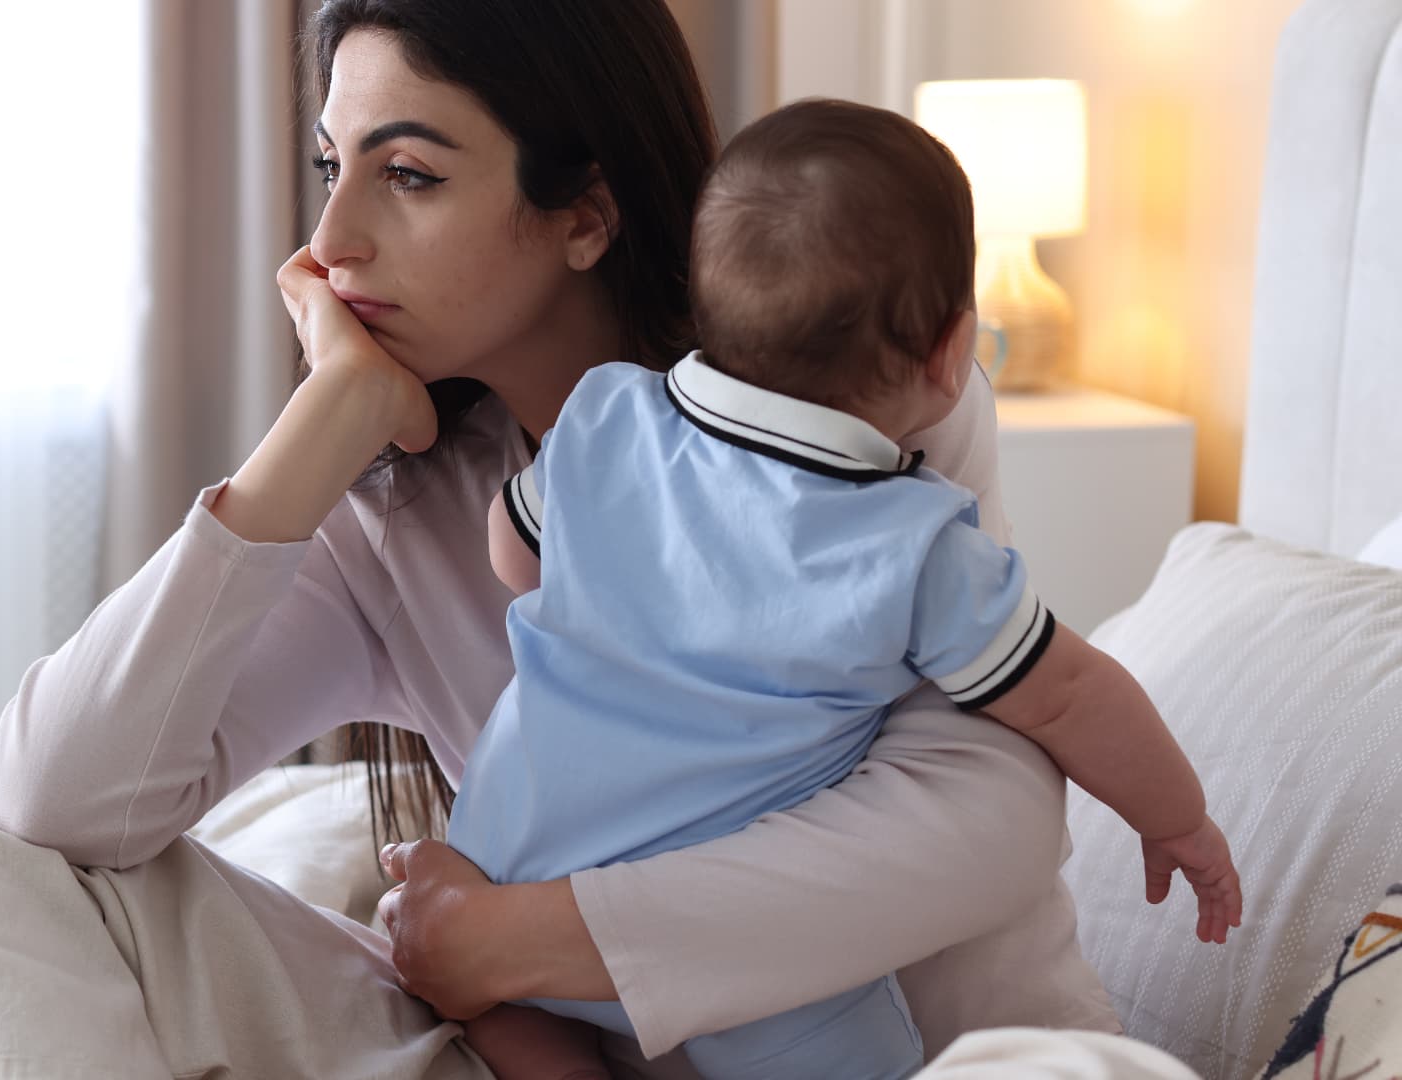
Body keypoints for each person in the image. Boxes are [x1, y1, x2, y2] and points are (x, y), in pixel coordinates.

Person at [0, 2, 1121, 1076]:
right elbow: (60, 800)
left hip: (927, 1058)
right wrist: (322, 424)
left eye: (412, 176)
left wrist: (526, 941)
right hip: (526, 1051)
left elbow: (990, 817)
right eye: (334, 166)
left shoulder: (847, 406)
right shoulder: (396, 505)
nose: (332, 245)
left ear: (585, 215)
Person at [448, 99, 1243, 1080]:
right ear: (953, 354)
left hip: (502, 850)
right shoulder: (914, 543)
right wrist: (1180, 820)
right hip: (700, 912)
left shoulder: (607, 412)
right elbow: (1073, 695)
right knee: (853, 1048)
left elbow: (512, 554)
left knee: (519, 1019)